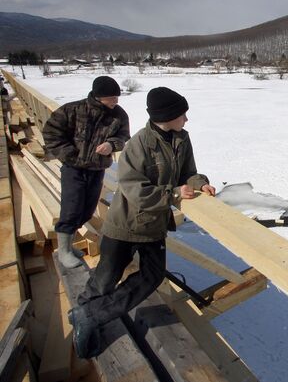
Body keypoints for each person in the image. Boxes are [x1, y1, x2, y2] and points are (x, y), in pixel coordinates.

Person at [68, 86, 216, 358]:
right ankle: (86, 314)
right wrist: (171, 194)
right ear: (167, 116)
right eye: (182, 114)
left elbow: (188, 173)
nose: (186, 119)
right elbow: (133, 188)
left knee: (152, 275)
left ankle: (87, 314)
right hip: (126, 223)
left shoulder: (182, 139)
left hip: (153, 225)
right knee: (106, 277)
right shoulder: (139, 144)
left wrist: (200, 184)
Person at [43, 76, 130, 269]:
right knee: (71, 207)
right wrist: (70, 155)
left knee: (87, 209)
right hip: (73, 168)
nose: (115, 101)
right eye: (111, 98)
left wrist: (111, 144)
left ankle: (70, 245)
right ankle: (64, 250)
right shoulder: (73, 109)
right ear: (99, 97)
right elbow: (51, 132)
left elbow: (123, 136)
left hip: (97, 169)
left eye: (117, 97)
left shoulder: (118, 115)